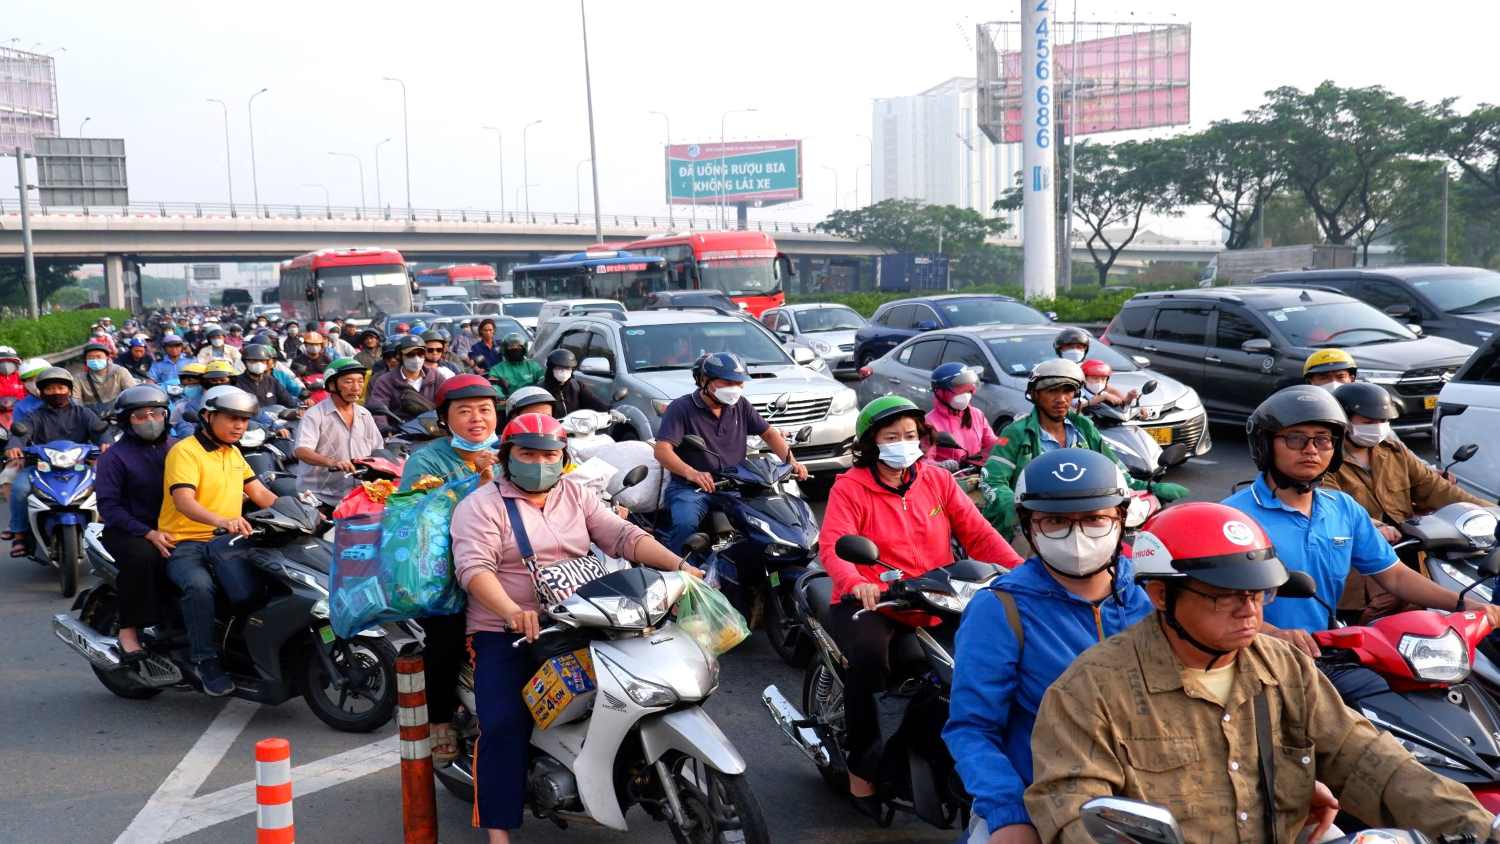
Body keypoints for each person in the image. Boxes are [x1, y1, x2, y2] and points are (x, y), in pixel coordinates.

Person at [1023, 501, 1494, 844]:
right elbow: (1072, 811)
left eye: (1257, 594)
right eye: (1224, 595)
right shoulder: (1091, 690)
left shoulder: (1284, 666)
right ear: (1162, 596)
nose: (1248, 611)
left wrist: (1476, 824)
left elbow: (1369, 759)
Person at [451, 412, 701, 842]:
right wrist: (511, 609)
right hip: (506, 629)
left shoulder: (573, 493)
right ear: (508, 457)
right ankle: (498, 832)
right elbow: (474, 569)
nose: (540, 462)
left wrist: (679, 567)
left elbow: (622, 536)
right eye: (528, 453)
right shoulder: (480, 506)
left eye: (549, 454)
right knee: (506, 723)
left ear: (562, 457)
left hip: (586, 615)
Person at [819, 395, 1022, 818]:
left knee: (973, 663)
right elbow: (833, 545)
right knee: (869, 660)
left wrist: (1025, 574)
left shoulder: (937, 480)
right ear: (872, 443)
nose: (902, 443)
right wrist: (857, 582)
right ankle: (862, 766)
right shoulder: (851, 486)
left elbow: (979, 534)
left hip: (934, 596)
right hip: (872, 601)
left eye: (910, 435)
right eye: (891, 436)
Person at [1222, 385, 1500, 684]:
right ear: (1265, 445)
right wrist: (1273, 633)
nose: (1311, 449)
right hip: (1251, 659)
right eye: (1295, 438)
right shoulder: (1233, 519)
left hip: (1322, 655)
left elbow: (1394, 576)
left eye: (1323, 439)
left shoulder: (1342, 508)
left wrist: (1464, 604)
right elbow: (1210, 604)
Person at [943, 448, 1154, 843]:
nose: (1077, 537)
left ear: (1120, 518)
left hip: (1153, 806)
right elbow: (973, 728)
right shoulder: (1000, 608)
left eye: (1094, 519)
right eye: (1056, 521)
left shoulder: (1153, 598)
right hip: (1038, 807)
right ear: (1029, 526)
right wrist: (1008, 815)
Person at [392, 373, 506, 766]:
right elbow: (421, 514)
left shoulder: (512, 451)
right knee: (446, 638)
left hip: (508, 562)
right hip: (445, 570)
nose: (477, 419)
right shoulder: (428, 459)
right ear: (445, 419)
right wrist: (481, 481)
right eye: (465, 411)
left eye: (485, 410)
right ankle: (439, 719)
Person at [1324, 382, 1489, 621]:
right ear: (1344, 421)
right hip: (1359, 572)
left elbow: (1436, 488)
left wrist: (1489, 510)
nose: (1378, 428)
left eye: (1382, 422)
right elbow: (1332, 507)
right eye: (1368, 423)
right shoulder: (1326, 459)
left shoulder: (1393, 451)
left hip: (1410, 558)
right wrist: (1377, 527)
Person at [158, 386, 280, 696]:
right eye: (232, 418)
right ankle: (204, 660)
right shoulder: (185, 451)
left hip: (230, 540)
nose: (240, 425)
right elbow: (184, 501)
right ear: (208, 416)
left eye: (244, 419)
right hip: (187, 543)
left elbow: (261, 494)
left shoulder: (234, 452)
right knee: (199, 587)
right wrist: (221, 521)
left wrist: (303, 512)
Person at [981, 359, 1186, 537]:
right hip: (1036, 525)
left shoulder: (1084, 427)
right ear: (1035, 395)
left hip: (1087, 518)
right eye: (1052, 390)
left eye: (1067, 390)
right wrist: (1016, 507)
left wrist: (1150, 488)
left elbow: (1116, 472)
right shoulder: (1016, 432)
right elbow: (992, 479)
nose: (1061, 399)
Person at [653, 352, 808, 553]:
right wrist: (692, 473)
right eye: (728, 382)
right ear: (705, 381)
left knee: (768, 524)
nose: (735, 388)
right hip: (691, 489)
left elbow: (769, 433)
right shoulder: (681, 408)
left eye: (739, 383)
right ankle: (679, 570)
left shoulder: (740, 406)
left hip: (737, 485)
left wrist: (791, 461)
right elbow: (662, 450)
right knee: (685, 524)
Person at [95, 386, 175, 662]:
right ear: (127, 420)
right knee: (144, 558)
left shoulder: (179, 448)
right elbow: (108, 507)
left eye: (156, 413)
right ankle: (128, 630)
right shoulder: (113, 457)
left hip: (175, 525)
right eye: (141, 416)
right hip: (129, 529)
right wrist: (149, 533)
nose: (150, 420)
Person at [5, 368, 108, 557]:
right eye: (50, 389)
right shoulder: (34, 416)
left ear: (69, 390)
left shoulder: (83, 413)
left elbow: (100, 430)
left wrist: (106, 442)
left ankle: (107, 525)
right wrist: (14, 446)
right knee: (19, 489)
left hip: (79, 466)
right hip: (41, 467)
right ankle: (19, 534)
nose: (56, 392)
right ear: (42, 392)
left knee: (106, 484)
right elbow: (21, 432)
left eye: (61, 387)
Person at [293, 358, 383, 507]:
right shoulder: (315, 415)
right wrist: (333, 462)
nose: (356, 387)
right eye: (348, 382)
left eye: (360, 381)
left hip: (359, 495)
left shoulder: (365, 414)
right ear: (332, 385)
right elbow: (302, 451)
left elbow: (378, 450)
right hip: (320, 496)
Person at [924, 362, 999, 469]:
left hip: (975, 474)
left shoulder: (976, 414)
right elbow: (925, 460)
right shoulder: (929, 422)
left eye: (968, 389)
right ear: (940, 392)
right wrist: (940, 466)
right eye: (959, 388)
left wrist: (1009, 438)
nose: (966, 394)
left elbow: (992, 442)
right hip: (950, 478)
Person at [368, 334, 443, 427]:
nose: (416, 359)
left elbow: (448, 405)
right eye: (410, 354)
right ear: (400, 356)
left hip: (434, 431)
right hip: (399, 434)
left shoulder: (436, 377)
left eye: (420, 354)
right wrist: (384, 428)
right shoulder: (385, 381)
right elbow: (378, 408)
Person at [234, 344, 299, 413]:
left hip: (275, 420)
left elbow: (289, 402)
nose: (258, 364)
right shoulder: (236, 383)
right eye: (253, 361)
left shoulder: (272, 381)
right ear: (245, 362)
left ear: (267, 363)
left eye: (262, 361)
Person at [540, 348, 607, 414]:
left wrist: (610, 410)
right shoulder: (541, 391)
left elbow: (593, 402)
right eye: (559, 368)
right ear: (551, 369)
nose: (564, 372)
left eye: (567, 368)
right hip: (553, 424)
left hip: (576, 424)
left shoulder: (577, 386)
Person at [77, 341, 138, 410]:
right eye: (90, 357)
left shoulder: (119, 371)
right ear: (85, 360)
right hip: (93, 415)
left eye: (98, 356)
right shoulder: (79, 379)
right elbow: (76, 400)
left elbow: (132, 392)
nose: (95, 360)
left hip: (118, 410)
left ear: (107, 357)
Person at [485, 333, 542, 398]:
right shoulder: (497, 370)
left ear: (524, 349)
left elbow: (542, 381)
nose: (515, 349)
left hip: (533, 400)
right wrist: (501, 397)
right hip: (509, 402)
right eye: (511, 347)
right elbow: (494, 387)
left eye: (518, 346)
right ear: (505, 349)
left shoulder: (533, 366)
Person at [168, 362, 208, 438]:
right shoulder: (182, 405)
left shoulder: (215, 400)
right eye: (186, 385)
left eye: (193, 384)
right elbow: (171, 424)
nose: (188, 388)